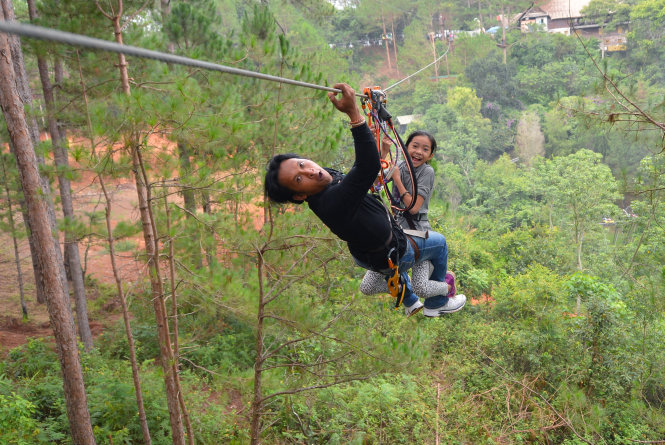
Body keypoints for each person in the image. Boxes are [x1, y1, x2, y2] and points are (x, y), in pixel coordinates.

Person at [264, 83, 466, 317]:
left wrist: (372, 143)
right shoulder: (330, 202)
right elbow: (366, 169)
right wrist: (354, 116)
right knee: (439, 244)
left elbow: (358, 177)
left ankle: (408, 294)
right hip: (392, 249)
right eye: (299, 179)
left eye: (302, 163)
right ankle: (438, 301)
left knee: (372, 283)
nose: (309, 171)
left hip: (369, 254)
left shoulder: (323, 181)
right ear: (300, 195)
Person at [360, 131, 460, 310]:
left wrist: (397, 180)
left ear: (430, 155)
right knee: (367, 287)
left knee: (422, 287)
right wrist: (383, 152)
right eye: (415, 146)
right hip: (396, 232)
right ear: (406, 148)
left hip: (419, 234)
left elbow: (413, 208)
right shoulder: (399, 166)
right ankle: (407, 292)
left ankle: (447, 288)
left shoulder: (426, 171)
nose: (418, 152)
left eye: (425, 149)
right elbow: (374, 185)